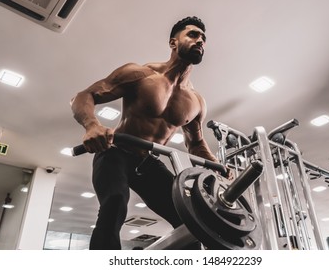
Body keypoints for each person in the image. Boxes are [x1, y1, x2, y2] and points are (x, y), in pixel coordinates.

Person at [71, 16, 221, 250]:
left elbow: (196, 143)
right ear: (173, 42)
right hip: (115, 153)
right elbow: (84, 96)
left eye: (203, 38)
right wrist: (92, 126)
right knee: (115, 203)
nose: (200, 40)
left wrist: (215, 163)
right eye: (193, 34)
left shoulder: (196, 101)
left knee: (190, 221)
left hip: (148, 162)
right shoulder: (141, 74)